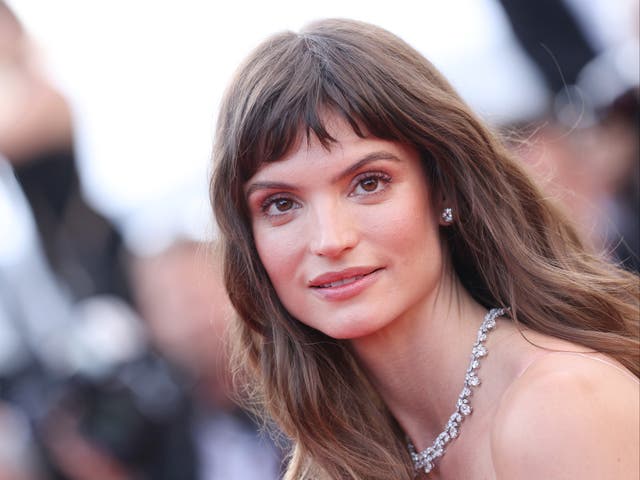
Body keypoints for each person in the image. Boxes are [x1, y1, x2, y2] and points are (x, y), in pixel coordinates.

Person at [210, 19, 639, 479]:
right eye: (280, 204)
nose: (330, 240)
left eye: (368, 183)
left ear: (443, 190)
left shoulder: (559, 405)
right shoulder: (333, 458)